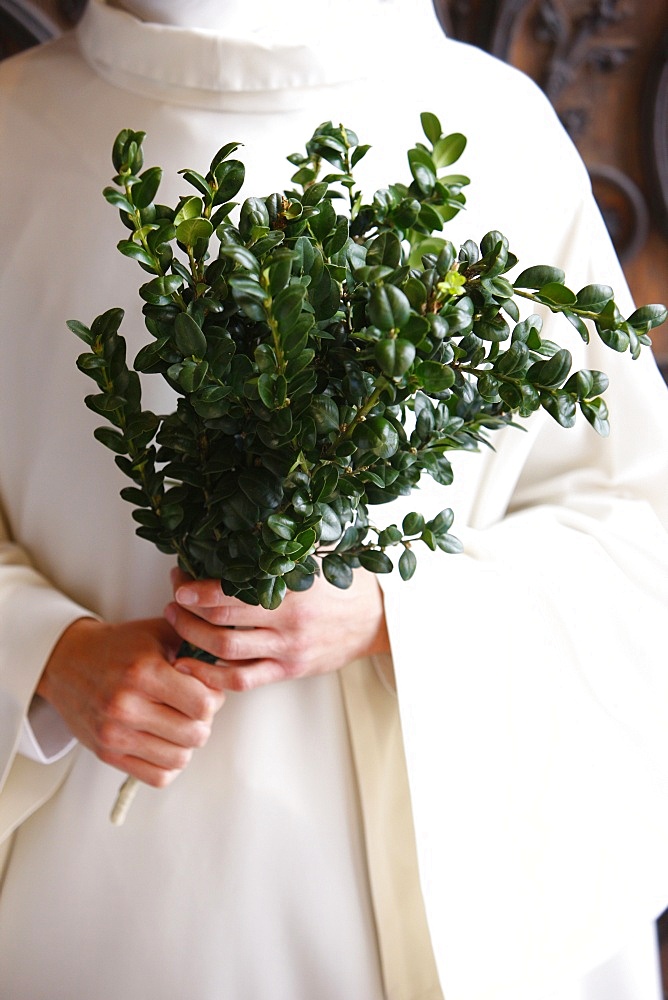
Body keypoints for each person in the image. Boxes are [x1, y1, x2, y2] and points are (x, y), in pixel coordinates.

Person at [1, 1, 668, 997]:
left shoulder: (493, 134)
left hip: (411, 887)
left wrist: (393, 612)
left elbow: (631, 527)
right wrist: (47, 654)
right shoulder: (14, 137)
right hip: (96, 907)